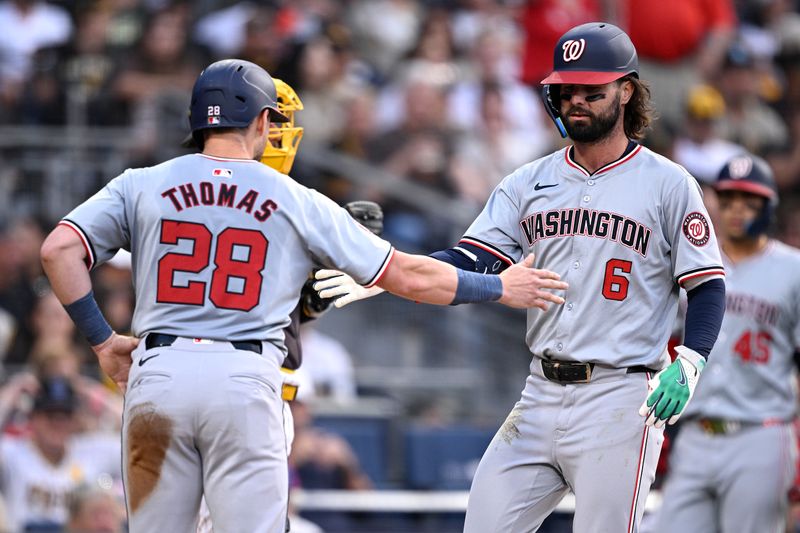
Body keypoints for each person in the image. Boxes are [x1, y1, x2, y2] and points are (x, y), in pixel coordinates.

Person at [39, 59, 568, 533]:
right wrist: (497, 285)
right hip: (243, 380)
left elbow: (59, 250)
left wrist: (102, 341)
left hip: (159, 375)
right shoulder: (293, 198)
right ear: (264, 122)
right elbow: (409, 276)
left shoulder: (141, 183)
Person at [314, 23, 727, 532]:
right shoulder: (528, 181)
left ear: (626, 91)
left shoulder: (669, 184)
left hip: (622, 395)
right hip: (540, 391)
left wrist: (690, 360)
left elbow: (706, 284)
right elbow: (471, 259)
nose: (576, 101)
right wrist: (391, 273)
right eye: (566, 90)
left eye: (591, 91)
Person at [655, 154, 799, 533]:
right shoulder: (693, 257)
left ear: (768, 207)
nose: (737, 211)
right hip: (695, 434)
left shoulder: (793, 269)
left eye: (749, 202)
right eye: (729, 199)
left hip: (761, 433)